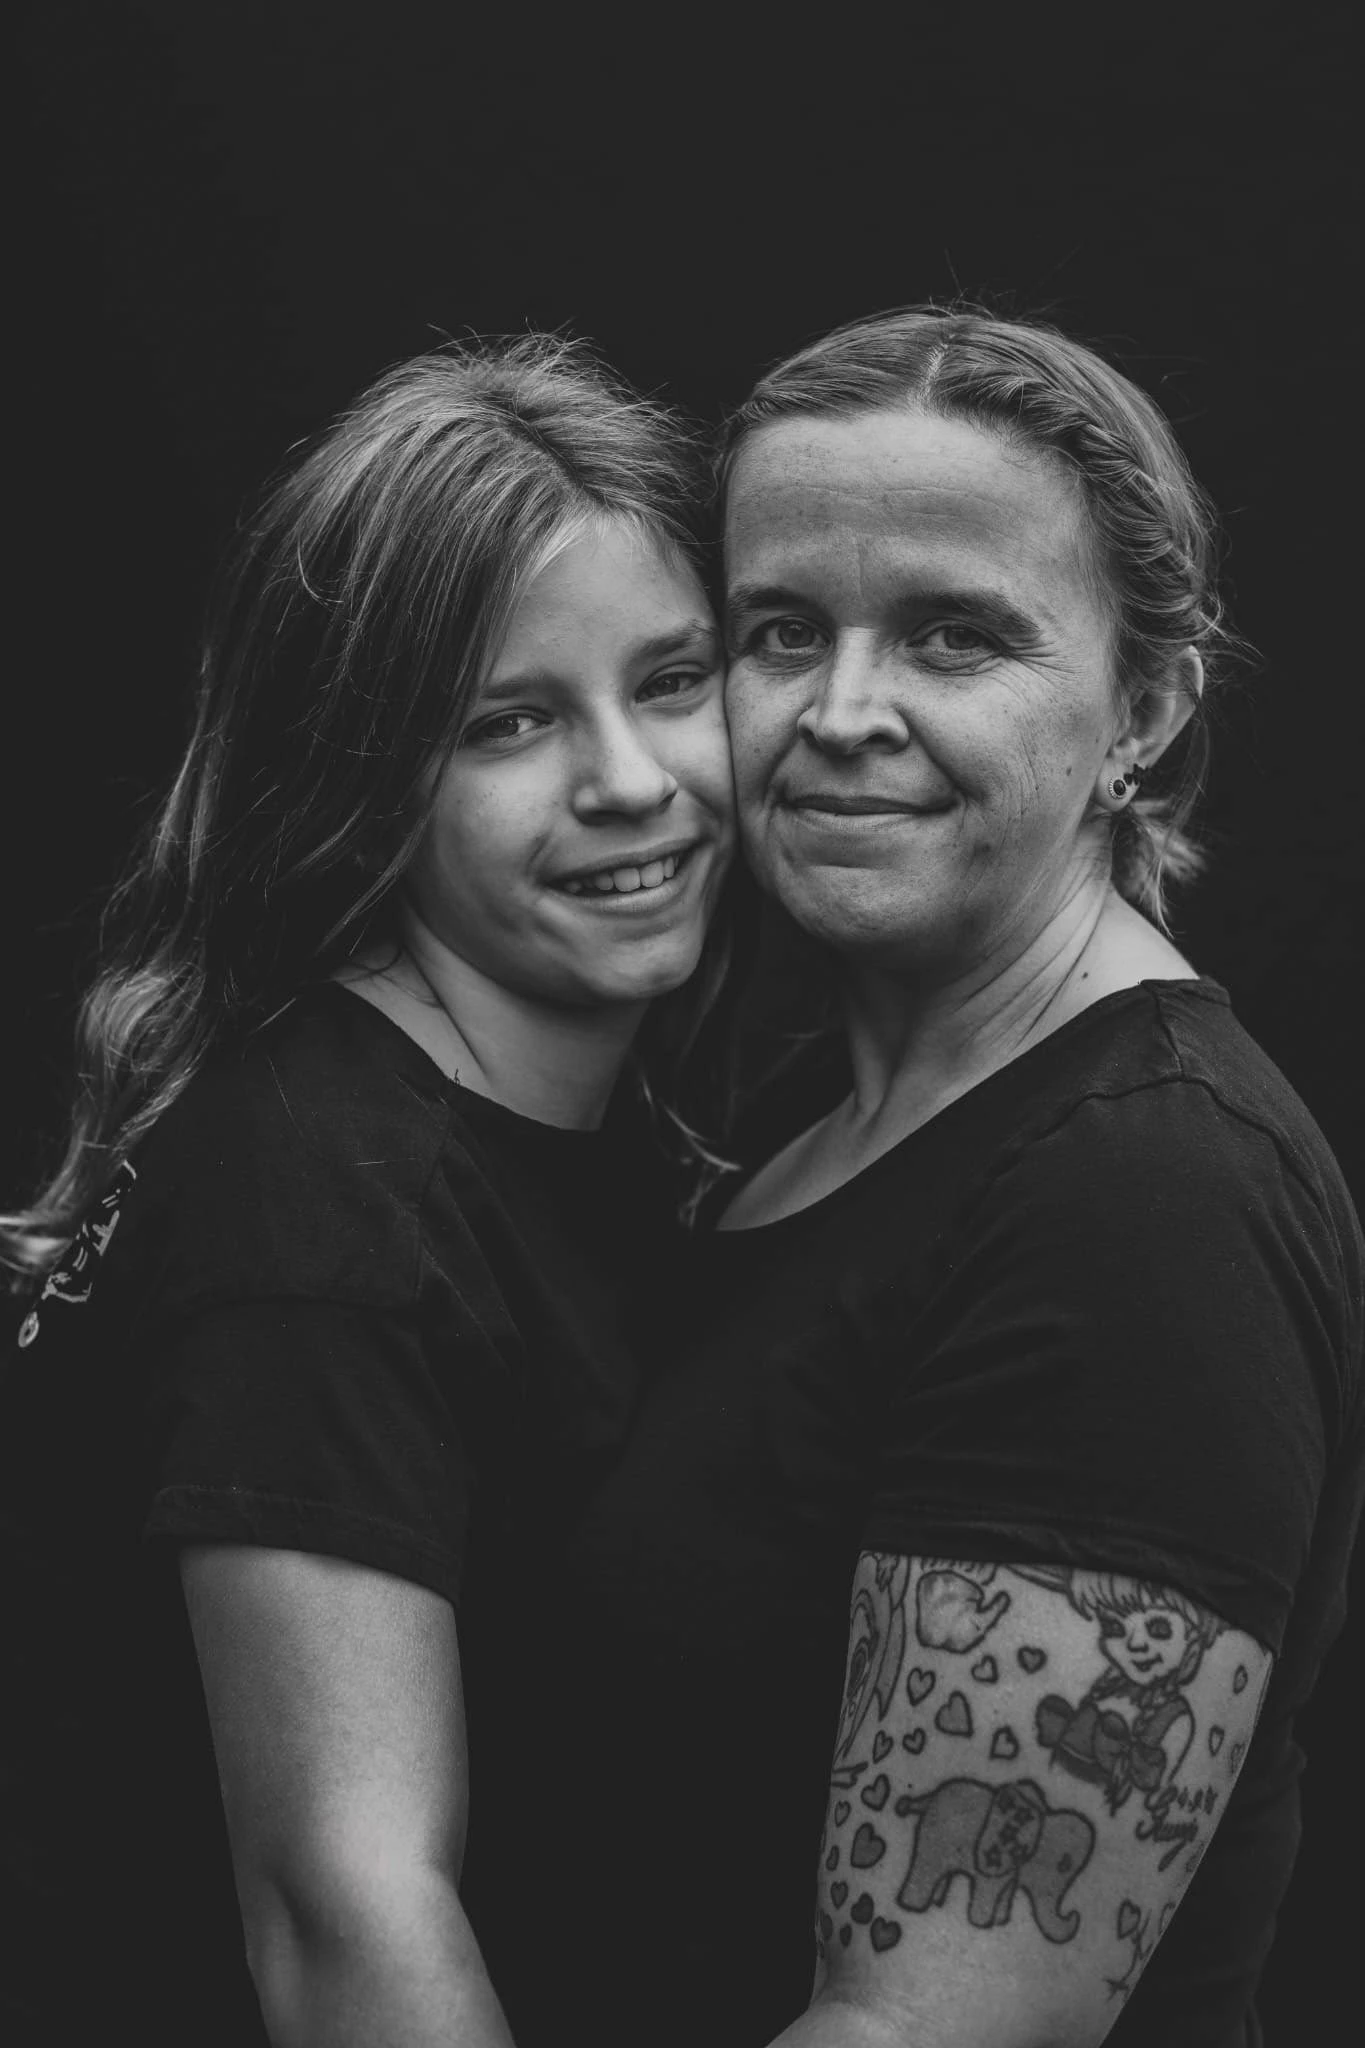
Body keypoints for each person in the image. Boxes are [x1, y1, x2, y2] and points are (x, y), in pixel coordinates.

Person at [557, 307, 1365, 2046]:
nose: (845, 714)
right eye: (783, 632)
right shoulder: (786, 1102)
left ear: (1144, 708)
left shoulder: (1146, 1199)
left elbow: (915, 2029)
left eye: (956, 636)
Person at [0, 334, 733, 2046]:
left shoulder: (572, 1117)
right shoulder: (326, 1208)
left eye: (674, 679)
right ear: (359, 769)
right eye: (508, 722)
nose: (629, 779)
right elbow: (344, 1923)